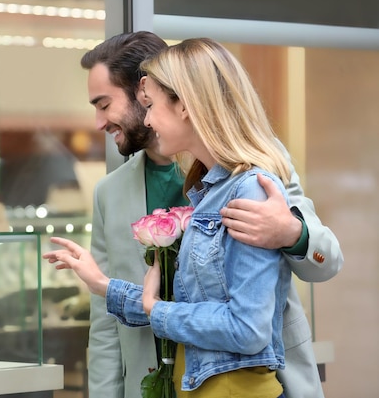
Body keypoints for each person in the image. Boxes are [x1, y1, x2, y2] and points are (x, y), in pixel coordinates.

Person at [45, 37, 327, 397]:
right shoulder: (113, 191)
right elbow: (120, 322)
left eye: (105, 104)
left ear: (152, 93)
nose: (98, 122)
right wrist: (104, 286)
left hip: (242, 381)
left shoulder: (252, 176)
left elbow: (253, 319)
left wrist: (292, 233)